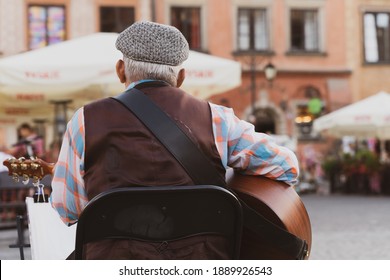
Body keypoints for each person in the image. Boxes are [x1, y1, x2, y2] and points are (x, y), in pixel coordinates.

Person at [50, 21, 299, 259]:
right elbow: (287, 166)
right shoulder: (218, 119)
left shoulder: (85, 120)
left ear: (120, 69)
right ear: (181, 77)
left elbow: (67, 208)